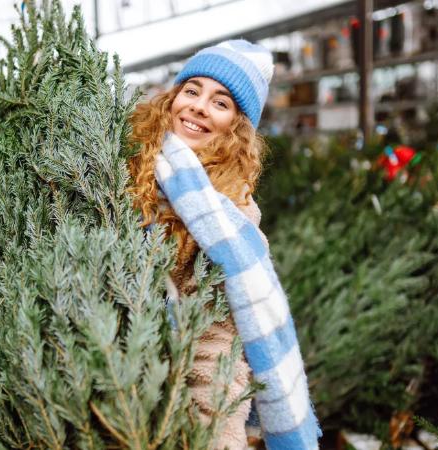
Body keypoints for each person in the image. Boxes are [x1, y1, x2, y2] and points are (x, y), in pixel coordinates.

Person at [128, 40, 320, 449]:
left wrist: (209, 433)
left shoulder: (230, 221)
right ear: (173, 97)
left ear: (236, 124)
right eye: (192, 90)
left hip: (166, 400)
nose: (198, 106)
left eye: (220, 102)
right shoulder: (123, 167)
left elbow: (216, 344)